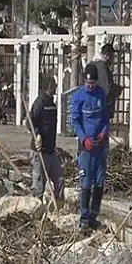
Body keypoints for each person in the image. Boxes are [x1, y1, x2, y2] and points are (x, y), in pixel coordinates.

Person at [71, 63, 110, 230]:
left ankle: (94, 214)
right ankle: (84, 216)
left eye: (93, 83)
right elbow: (75, 120)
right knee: (86, 182)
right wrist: (83, 138)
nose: (90, 86)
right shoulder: (79, 96)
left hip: (100, 146)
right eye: (88, 84)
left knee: (99, 182)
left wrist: (104, 132)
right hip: (86, 147)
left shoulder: (101, 94)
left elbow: (106, 118)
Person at [28, 75, 64, 201]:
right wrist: (37, 134)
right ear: (48, 86)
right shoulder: (39, 103)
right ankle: (36, 211)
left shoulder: (52, 104)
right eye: (54, 85)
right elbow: (30, 122)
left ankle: (59, 208)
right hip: (40, 152)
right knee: (39, 186)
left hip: (51, 150)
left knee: (59, 179)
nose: (55, 87)